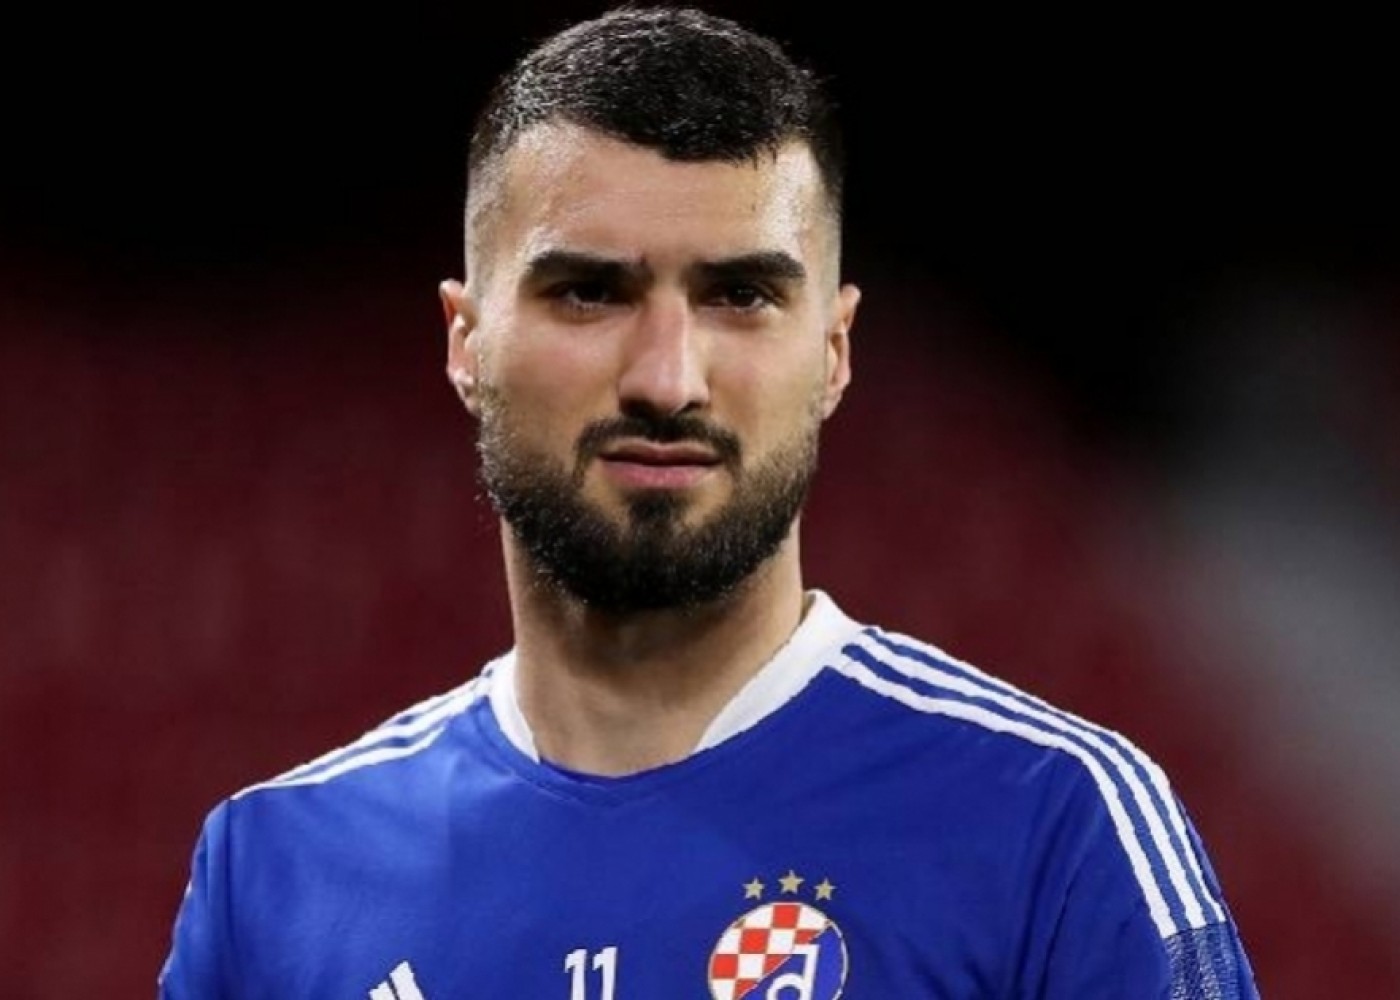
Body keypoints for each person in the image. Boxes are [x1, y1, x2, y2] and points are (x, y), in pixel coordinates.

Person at [158, 5, 1261, 998]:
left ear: (833, 350)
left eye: (739, 294)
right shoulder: (277, 873)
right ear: (465, 340)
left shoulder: (1051, 827)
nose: (667, 379)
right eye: (589, 292)